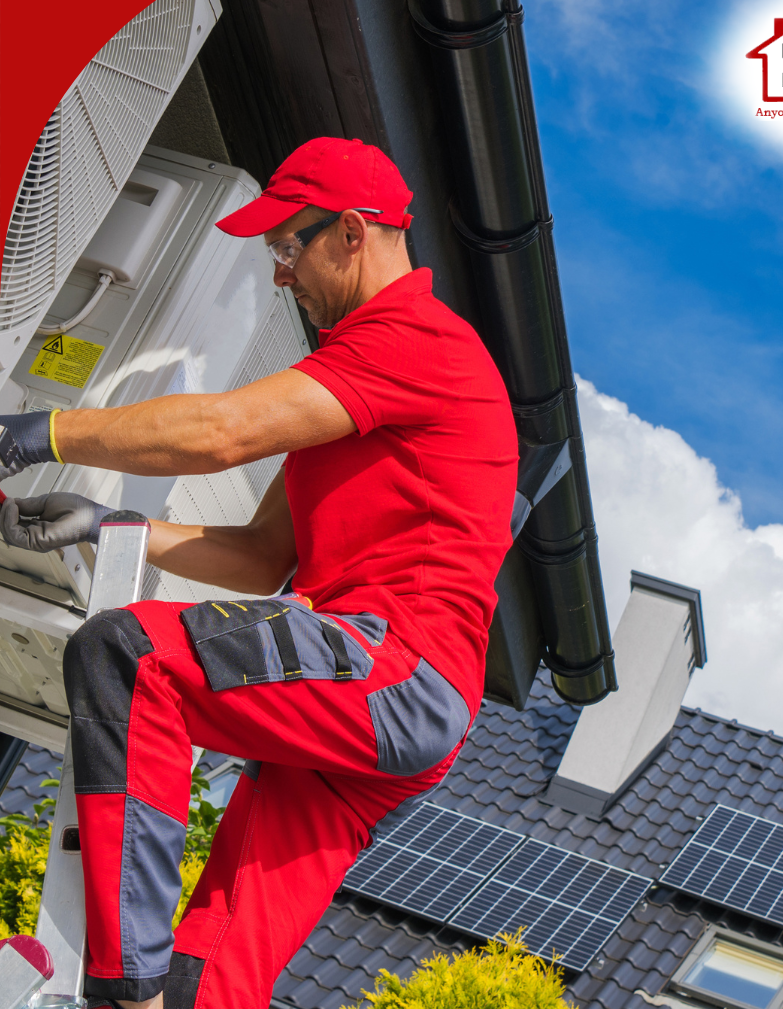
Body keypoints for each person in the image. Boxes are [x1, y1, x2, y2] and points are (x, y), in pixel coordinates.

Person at [0, 137, 519, 1009]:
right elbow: (260, 557)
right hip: (389, 709)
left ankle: (126, 996)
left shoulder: (415, 339)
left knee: (130, 658)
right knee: (216, 968)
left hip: (390, 667)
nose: (280, 274)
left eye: (287, 246)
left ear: (350, 232)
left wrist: (39, 434)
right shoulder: (354, 384)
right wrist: (115, 525)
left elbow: (222, 433)